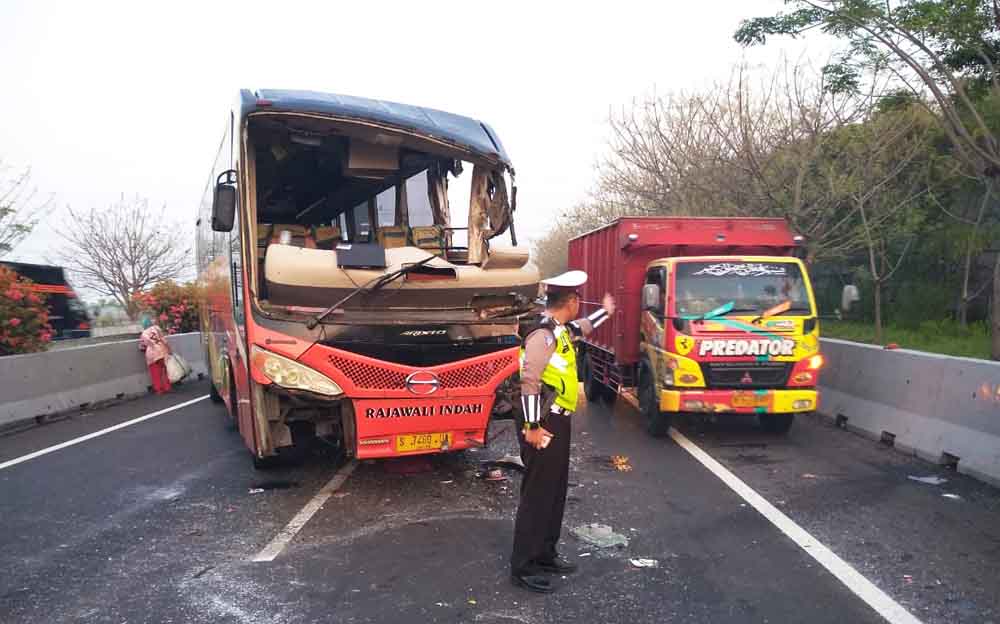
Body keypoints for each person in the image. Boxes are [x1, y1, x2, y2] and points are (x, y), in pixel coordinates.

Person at [510, 270, 615, 593]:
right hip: (542, 421)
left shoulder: (559, 330)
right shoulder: (542, 336)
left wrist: (605, 313)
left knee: (554, 491)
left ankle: (545, 553)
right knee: (538, 493)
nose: (580, 308)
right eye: (578, 302)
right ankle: (523, 565)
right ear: (570, 302)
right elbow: (530, 380)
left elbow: (582, 328)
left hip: (558, 419)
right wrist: (531, 426)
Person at [139, 317, 173, 394]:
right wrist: (169, 349)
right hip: (162, 351)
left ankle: (159, 390)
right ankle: (167, 387)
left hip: (151, 355)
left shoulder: (143, 334)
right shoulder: (157, 328)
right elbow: (164, 340)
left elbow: (142, 346)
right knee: (164, 370)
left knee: (155, 373)